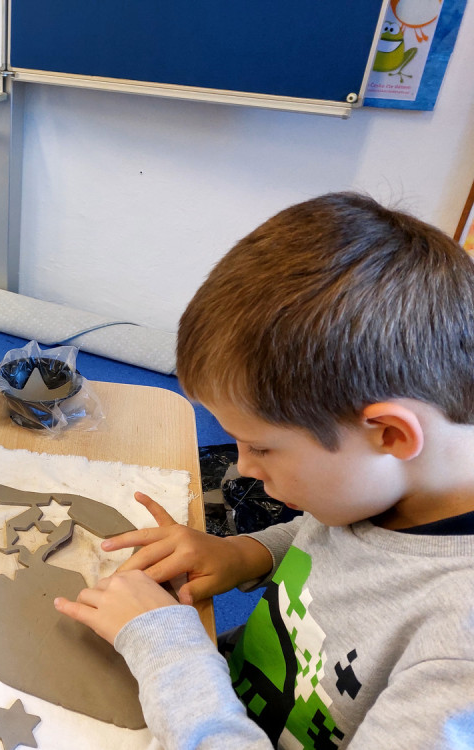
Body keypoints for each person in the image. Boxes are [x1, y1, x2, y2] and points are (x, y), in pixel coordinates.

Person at [55, 192, 474, 747]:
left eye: (262, 448)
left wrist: (167, 648)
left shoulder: (457, 657)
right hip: (226, 692)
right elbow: (334, 539)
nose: (243, 468)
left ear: (390, 434)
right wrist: (244, 554)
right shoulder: (392, 486)